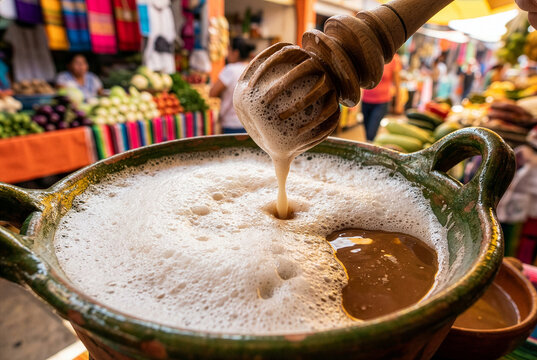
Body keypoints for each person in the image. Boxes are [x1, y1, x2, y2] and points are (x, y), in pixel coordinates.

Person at [209, 37, 255, 134]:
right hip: (250, 125)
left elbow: (212, 93)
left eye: (228, 50)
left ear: (236, 52)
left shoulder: (230, 70)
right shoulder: (252, 69)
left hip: (231, 124)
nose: (226, 54)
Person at [361, 54, 402, 141]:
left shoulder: (394, 59)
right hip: (366, 100)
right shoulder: (370, 55)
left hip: (381, 103)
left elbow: (397, 85)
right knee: (367, 130)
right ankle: (369, 146)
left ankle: (370, 148)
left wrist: (398, 104)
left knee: (371, 133)